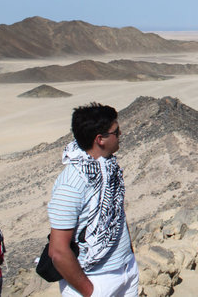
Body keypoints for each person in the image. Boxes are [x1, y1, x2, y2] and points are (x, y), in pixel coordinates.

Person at [47, 103, 138, 297]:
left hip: (126, 272)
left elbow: (116, 213)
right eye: (116, 131)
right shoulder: (72, 183)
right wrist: (89, 291)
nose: (121, 134)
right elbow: (58, 251)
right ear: (100, 139)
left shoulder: (109, 166)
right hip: (95, 280)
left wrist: (129, 257)